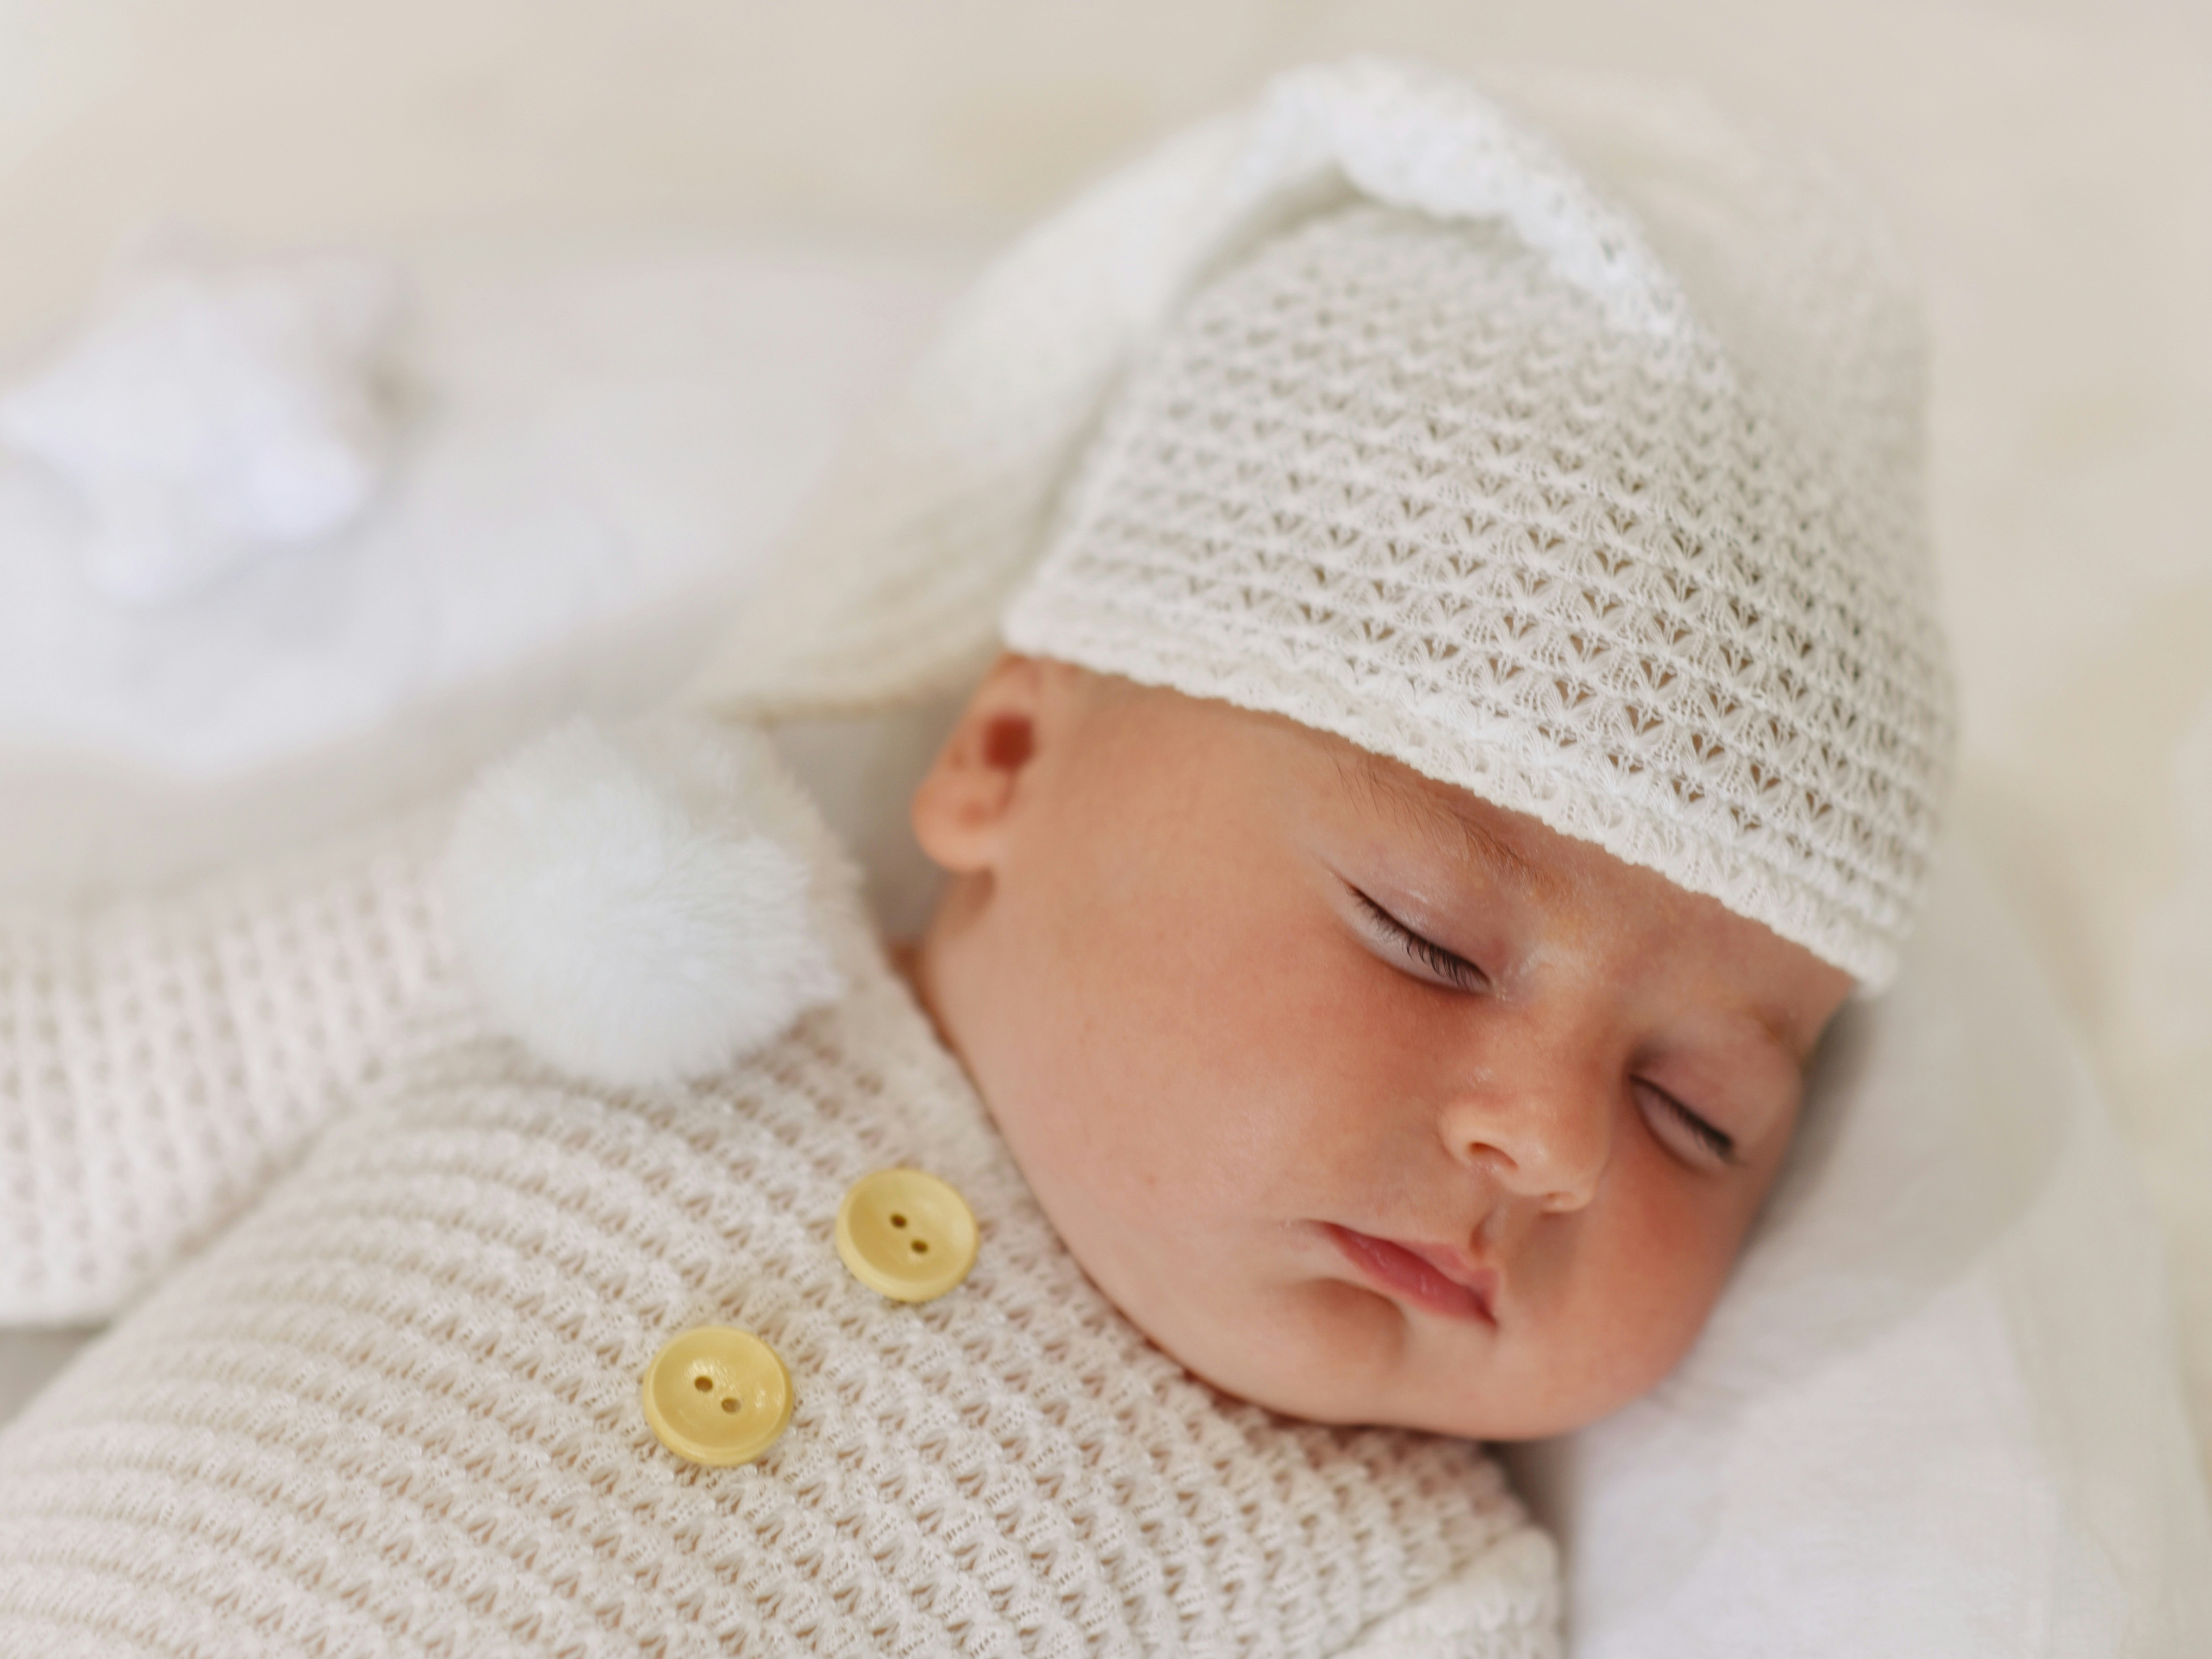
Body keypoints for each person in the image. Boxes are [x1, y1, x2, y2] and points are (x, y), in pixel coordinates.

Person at [0, 57, 1950, 1658]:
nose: (1552, 1142)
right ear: (1005, 756)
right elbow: (68, 1081)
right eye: (1427, 937)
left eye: (1698, 1111)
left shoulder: (1390, 1588)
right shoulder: (634, 902)